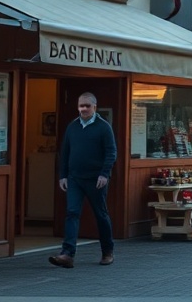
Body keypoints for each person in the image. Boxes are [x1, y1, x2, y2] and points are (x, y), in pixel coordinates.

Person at [49, 92, 117, 269]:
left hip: (96, 180)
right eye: (81, 105)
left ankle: (107, 251)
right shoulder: (72, 127)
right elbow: (65, 153)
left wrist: (104, 174)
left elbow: (111, 152)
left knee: (100, 214)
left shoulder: (104, 127)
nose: (84, 109)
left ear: (95, 107)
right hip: (74, 179)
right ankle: (67, 254)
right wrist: (62, 175)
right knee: (72, 213)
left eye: (87, 105)